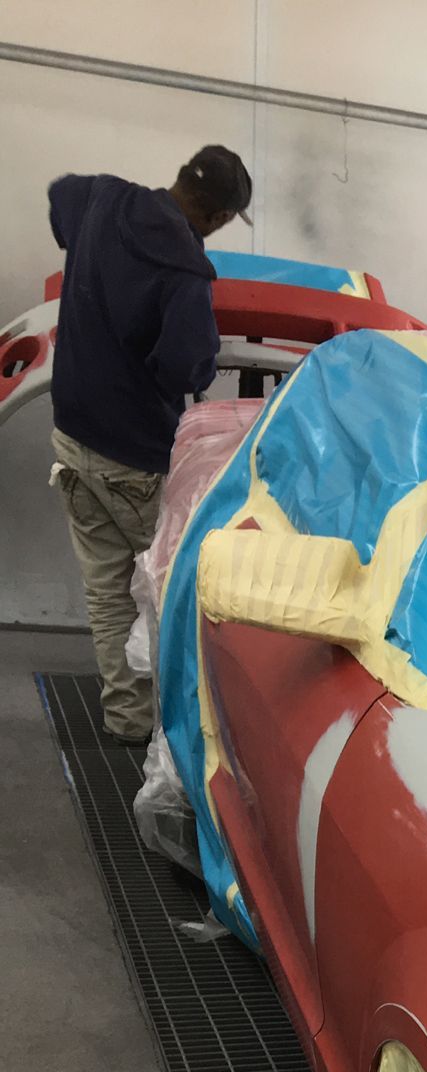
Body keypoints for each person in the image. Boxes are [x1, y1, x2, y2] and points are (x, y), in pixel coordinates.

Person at [47, 146, 252, 743]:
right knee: (170, 592)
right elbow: (187, 370)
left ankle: (128, 721)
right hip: (135, 460)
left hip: (72, 437)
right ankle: (183, 737)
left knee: (108, 591)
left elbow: (61, 195)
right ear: (215, 216)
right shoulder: (184, 272)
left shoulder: (104, 197)